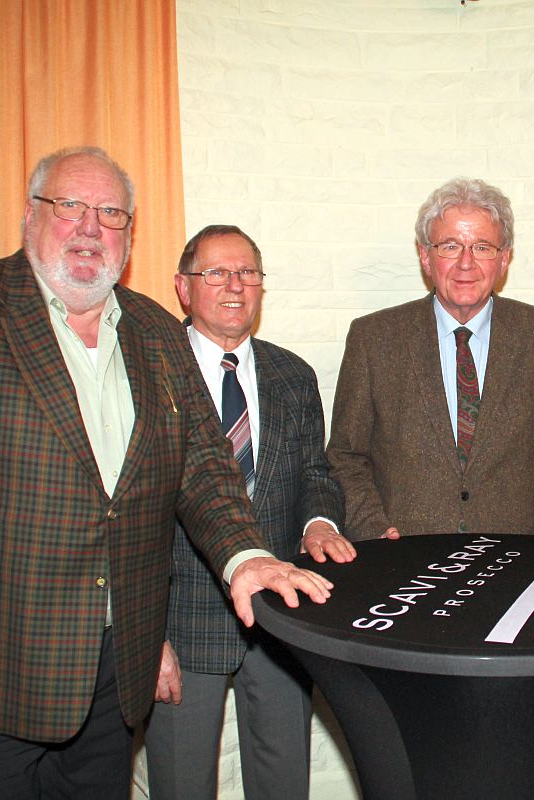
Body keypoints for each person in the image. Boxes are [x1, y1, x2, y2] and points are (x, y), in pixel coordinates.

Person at [0, 147, 334, 800]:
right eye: (70, 206)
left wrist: (245, 557)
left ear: (129, 235)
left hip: (111, 686)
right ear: (30, 215)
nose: (90, 227)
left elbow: (203, 467)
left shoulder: (154, 332)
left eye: (111, 213)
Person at [143, 225, 353, 799]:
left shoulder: (293, 374)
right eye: (216, 272)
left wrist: (319, 522)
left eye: (248, 273)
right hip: (180, 623)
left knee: (284, 783)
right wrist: (146, 637)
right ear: (183, 287)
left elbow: (316, 473)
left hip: (282, 620)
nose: (234, 285)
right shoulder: (149, 372)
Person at [326, 177, 534, 540]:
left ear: (504, 258)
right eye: (450, 246)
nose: (465, 263)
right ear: (425, 256)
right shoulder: (374, 339)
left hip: (515, 556)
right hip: (405, 554)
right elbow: (346, 456)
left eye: (482, 247)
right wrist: (374, 530)